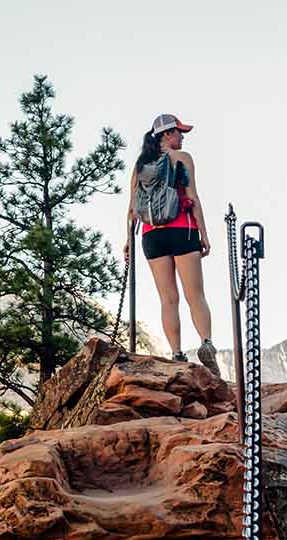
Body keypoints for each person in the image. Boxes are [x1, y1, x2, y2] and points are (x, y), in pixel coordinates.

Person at [127, 114, 218, 370]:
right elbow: (193, 197)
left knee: (168, 299)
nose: (183, 137)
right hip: (182, 230)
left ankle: (177, 354)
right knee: (195, 294)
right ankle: (206, 343)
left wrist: (128, 241)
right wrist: (204, 233)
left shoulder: (141, 164)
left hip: (151, 235)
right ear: (167, 134)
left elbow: (132, 210)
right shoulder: (183, 158)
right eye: (179, 132)